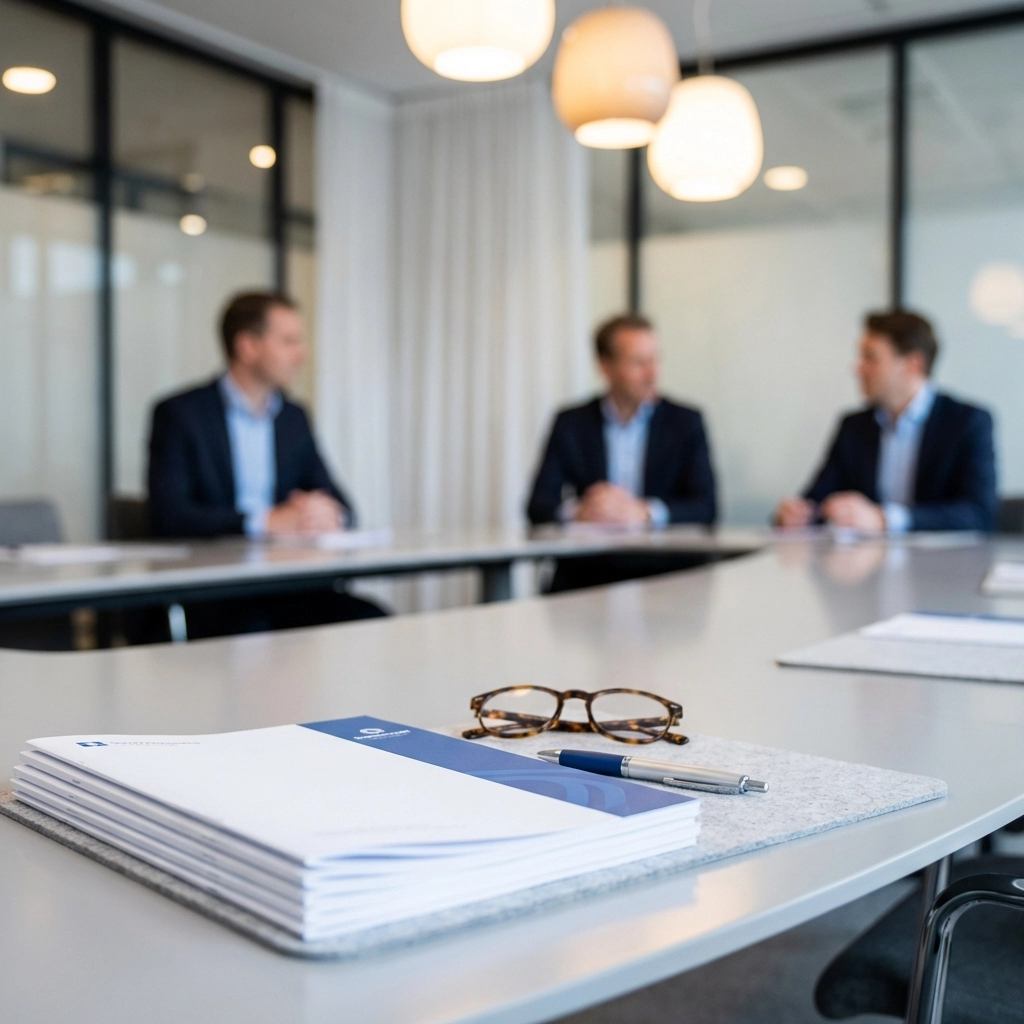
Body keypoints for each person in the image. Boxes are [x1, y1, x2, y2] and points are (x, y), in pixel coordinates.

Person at [148, 291, 385, 635]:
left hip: (289, 585)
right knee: (257, 633)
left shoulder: (292, 417)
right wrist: (265, 521)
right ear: (248, 346)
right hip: (215, 591)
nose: (300, 355)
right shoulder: (181, 414)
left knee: (372, 620)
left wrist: (328, 513)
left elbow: (341, 502)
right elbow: (168, 515)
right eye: (288, 342)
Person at [527, 313, 716, 590]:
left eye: (655, 360)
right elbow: (537, 506)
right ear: (606, 367)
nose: (653, 373)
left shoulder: (685, 422)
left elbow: (706, 507)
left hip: (666, 574)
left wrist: (643, 512)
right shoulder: (571, 423)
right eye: (639, 363)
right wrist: (580, 512)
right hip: (587, 573)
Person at [775, 310, 997, 534]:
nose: (858, 368)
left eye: (870, 358)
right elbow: (818, 500)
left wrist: (884, 519)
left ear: (913, 364)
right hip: (862, 564)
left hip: (943, 565)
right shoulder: (853, 426)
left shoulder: (967, 422)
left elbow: (978, 514)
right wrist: (798, 514)